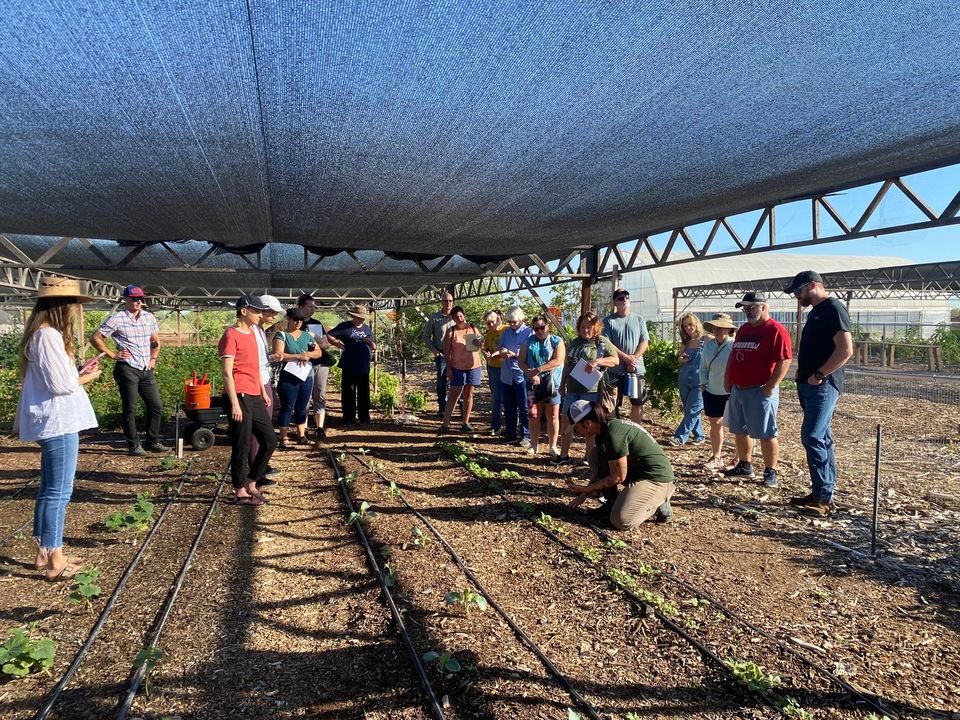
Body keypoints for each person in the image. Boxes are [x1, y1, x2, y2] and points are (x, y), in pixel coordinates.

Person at [16, 277, 101, 580]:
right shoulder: (48, 336)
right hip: (59, 422)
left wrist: (77, 371)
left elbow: (56, 379)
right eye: (75, 305)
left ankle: (44, 552)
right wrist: (85, 379)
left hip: (53, 420)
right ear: (63, 306)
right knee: (59, 492)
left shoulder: (41, 335)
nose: (77, 310)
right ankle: (56, 559)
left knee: (47, 489)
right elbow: (60, 385)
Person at [783, 270, 854, 517]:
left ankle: (823, 498)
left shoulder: (833, 309)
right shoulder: (817, 311)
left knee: (812, 436)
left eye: (798, 290)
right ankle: (821, 492)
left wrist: (820, 374)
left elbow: (845, 350)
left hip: (822, 385)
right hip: (810, 383)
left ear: (813, 285)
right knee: (821, 438)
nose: (796, 296)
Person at [564, 401, 676, 529]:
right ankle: (611, 503)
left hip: (656, 478)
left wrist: (586, 489)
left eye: (577, 429)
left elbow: (617, 477)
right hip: (637, 472)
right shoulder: (603, 431)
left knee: (621, 520)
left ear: (588, 424)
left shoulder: (613, 434)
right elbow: (603, 470)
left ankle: (658, 502)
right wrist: (583, 495)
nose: (578, 433)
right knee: (595, 455)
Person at [723, 292, 792, 488]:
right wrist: (728, 377)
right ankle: (745, 465)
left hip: (760, 389)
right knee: (740, 429)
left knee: (766, 432)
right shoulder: (744, 329)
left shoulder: (775, 330)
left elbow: (784, 360)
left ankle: (770, 470)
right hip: (739, 388)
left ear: (764, 307)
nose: (747, 312)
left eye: (751, 308)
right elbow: (734, 354)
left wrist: (771, 385)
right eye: (745, 308)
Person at [91, 285, 167, 456]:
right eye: (134, 298)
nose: (138, 302)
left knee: (156, 405)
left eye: (140, 299)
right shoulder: (117, 319)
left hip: (146, 368)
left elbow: (155, 340)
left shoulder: (149, 317)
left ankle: (152, 441)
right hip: (127, 368)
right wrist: (112, 354)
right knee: (130, 408)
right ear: (125, 299)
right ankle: (133, 445)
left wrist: (153, 357)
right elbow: (96, 338)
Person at [218, 295, 277, 506]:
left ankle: (252, 482)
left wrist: (262, 390)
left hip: (254, 393)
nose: (261, 314)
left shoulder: (254, 333)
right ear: (244, 311)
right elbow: (227, 373)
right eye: (257, 310)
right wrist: (233, 403)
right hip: (239, 395)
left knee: (270, 440)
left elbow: (255, 366)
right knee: (241, 444)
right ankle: (240, 490)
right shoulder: (231, 335)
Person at [557, 311, 619, 465]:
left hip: (590, 390)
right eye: (583, 327)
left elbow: (615, 360)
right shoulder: (574, 342)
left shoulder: (601, 342)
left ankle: (589, 456)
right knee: (566, 420)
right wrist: (562, 382)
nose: (586, 330)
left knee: (589, 424)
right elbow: (567, 365)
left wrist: (597, 361)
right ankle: (564, 455)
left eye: (589, 327)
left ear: (595, 327)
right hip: (572, 388)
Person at [273, 308, 321, 448]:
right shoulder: (281, 335)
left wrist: (308, 355)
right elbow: (278, 354)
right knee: (287, 406)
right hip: (288, 376)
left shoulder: (307, 336)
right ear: (289, 320)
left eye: (300, 320)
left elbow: (318, 352)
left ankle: (301, 435)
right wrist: (296, 356)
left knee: (302, 407)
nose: (298, 322)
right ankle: (284, 437)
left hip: (306, 376)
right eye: (295, 319)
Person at [519, 315, 566, 457]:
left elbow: (558, 360)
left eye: (542, 327)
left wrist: (539, 370)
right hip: (533, 385)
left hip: (552, 385)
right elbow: (521, 361)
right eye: (536, 328)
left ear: (548, 326)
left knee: (553, 415)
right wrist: (530, 374)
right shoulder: (528, 342)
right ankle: (534, 445)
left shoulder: (557, 341)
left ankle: (552, 446)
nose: (540, 331)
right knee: (534, 415)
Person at [602, 288, 650, 423]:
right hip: (614, 370)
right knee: (612, 403)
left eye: (626, 297)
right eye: (620, 298)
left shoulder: (639, 319)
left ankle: (636, 432)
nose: (624, 300)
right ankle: (612, 433)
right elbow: (607, 344)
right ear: (614, 303)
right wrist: (625, 358)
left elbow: (645, 341)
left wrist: (633, 358)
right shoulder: (608, 322)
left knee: (637, 402)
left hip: (635, 369)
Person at [250, 295, 283, 487]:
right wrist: (261, 389)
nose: (274, 316)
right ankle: (256, 473)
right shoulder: (253, 331)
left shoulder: (260, 331)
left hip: (263, 380)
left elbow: (260, 359)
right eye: (272, 312)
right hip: (258, 383)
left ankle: (261, 466)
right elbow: (251, 361)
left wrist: (271, 357)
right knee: (259, 431)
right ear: (262, 311)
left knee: (264, 429)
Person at [297, 294, 338, 438]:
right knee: (304, 396)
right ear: (301, 307)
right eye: (310, 306)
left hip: (320, 363)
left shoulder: (317, 323)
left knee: (320, 393)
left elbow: (325, 344)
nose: (312, 309)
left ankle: (320, 427)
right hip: (303, 364)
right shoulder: (295, 323)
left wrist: (317, 341)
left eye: (314, 307)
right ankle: (304, 426)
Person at [328, 304, 376, 426]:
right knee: (348, 392)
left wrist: (371, 343)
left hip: (363, 365)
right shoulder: (345, 327)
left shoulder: (367, 329)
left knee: (364, 393)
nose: (361, 319)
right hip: (349, 364)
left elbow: (373, 344)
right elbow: (329, 335)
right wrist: (339, 345)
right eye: (359, 317)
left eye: (363, 317)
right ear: (353, 316)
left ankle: (364, 418)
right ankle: (348, 418)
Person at [699, 313, 736, 469]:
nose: (718, 330)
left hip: (731, 391)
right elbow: (703, 367)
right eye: (715, 328)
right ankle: (717, 456)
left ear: (729, 329)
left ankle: (739, 458)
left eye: (722, 328)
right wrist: (703, 385)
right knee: (715, 424)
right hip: (712, 390)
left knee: (737, 426)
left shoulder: (734, 345)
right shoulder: (709, 345)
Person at [439, 306, 483, 434]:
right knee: (454, 394)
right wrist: (448, 369)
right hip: (457, 367)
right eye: (456, 317)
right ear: (453, 319)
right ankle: (445, 424)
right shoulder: (451, 332)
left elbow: (479, 345)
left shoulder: (472, 328)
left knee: (469, 394)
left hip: (473, 366)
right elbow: (447, 353)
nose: (459, 318)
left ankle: (465, 422)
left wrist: (479, 342)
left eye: (461, 316)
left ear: (464, 315)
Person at [498, 306, 533, 446]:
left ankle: (526, 435)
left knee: (524, 406)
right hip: (507, 374)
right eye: (510, 322)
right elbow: (500, 346)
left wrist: (515, 354)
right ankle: (510, 433)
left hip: (521, 375)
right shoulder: (506, 332)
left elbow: (531, 352)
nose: (512, 324)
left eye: (514, 322)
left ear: (521, 319)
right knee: (509, 405)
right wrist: (502, 351)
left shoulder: (529, 333)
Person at [671, 313, 706, 446]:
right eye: (685, 326)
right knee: (689, 409)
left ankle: (680, 437)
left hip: (700, 381)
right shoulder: (686, 342)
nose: (688, 328)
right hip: (685, 379)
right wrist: (682, 359)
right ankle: (699, 435)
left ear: (696, 323)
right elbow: (680, 358)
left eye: (690, 324)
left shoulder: (706, 339)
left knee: (693, 409)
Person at [421, 291, 456, 415]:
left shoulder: (456, 317)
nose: (448, 303)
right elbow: (425, 336)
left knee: (457, 380)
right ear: (441, 302)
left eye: (450, 301)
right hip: (441, 354)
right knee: (442, 380)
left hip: (456, 354)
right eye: (446, 301)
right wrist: (434, 351)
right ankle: (442, 407)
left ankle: (459, 407)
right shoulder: (434, 317)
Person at [481, 309, 506, 435]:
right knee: (495, 397)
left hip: (505, 366)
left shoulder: (506, 330)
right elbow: (485, 347)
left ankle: (511, 424)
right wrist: (485, 352)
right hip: (493, 367)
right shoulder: (489, 334)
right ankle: (495, 425)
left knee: (508, 396)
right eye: (488, 323)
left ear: (498, 319)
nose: (490, 325)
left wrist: (496, 353)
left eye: (492, 322)